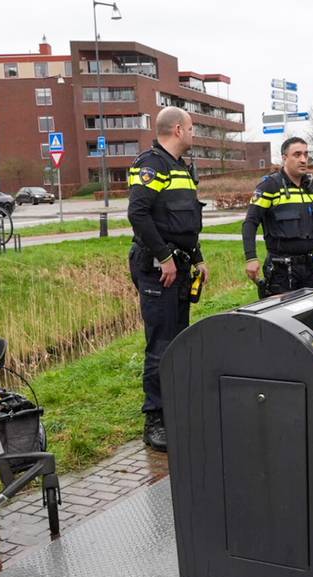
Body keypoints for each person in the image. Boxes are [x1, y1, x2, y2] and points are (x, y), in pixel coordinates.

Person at [126, 107, 206, 452]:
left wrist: (198, 257)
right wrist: (164, 257)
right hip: (158, 270)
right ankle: (154, 419)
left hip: (180, 267)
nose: (193, 133)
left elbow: (186, 221)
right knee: (160, 345)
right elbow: (138, 214)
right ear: (177, 129)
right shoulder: (151, 165)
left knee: (176, 341)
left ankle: (174, 407)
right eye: (191, 128)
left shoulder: (181, 169)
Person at [242, 137, 313, 297]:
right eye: (297, 154)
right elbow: (250, 222)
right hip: (281, 271)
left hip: (309, 269)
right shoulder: (270, 186)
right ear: (285, 158)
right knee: (281, 319)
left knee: (310, 316)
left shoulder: (312, 189)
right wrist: (251, 257)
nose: (303, 159)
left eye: (306, 155)